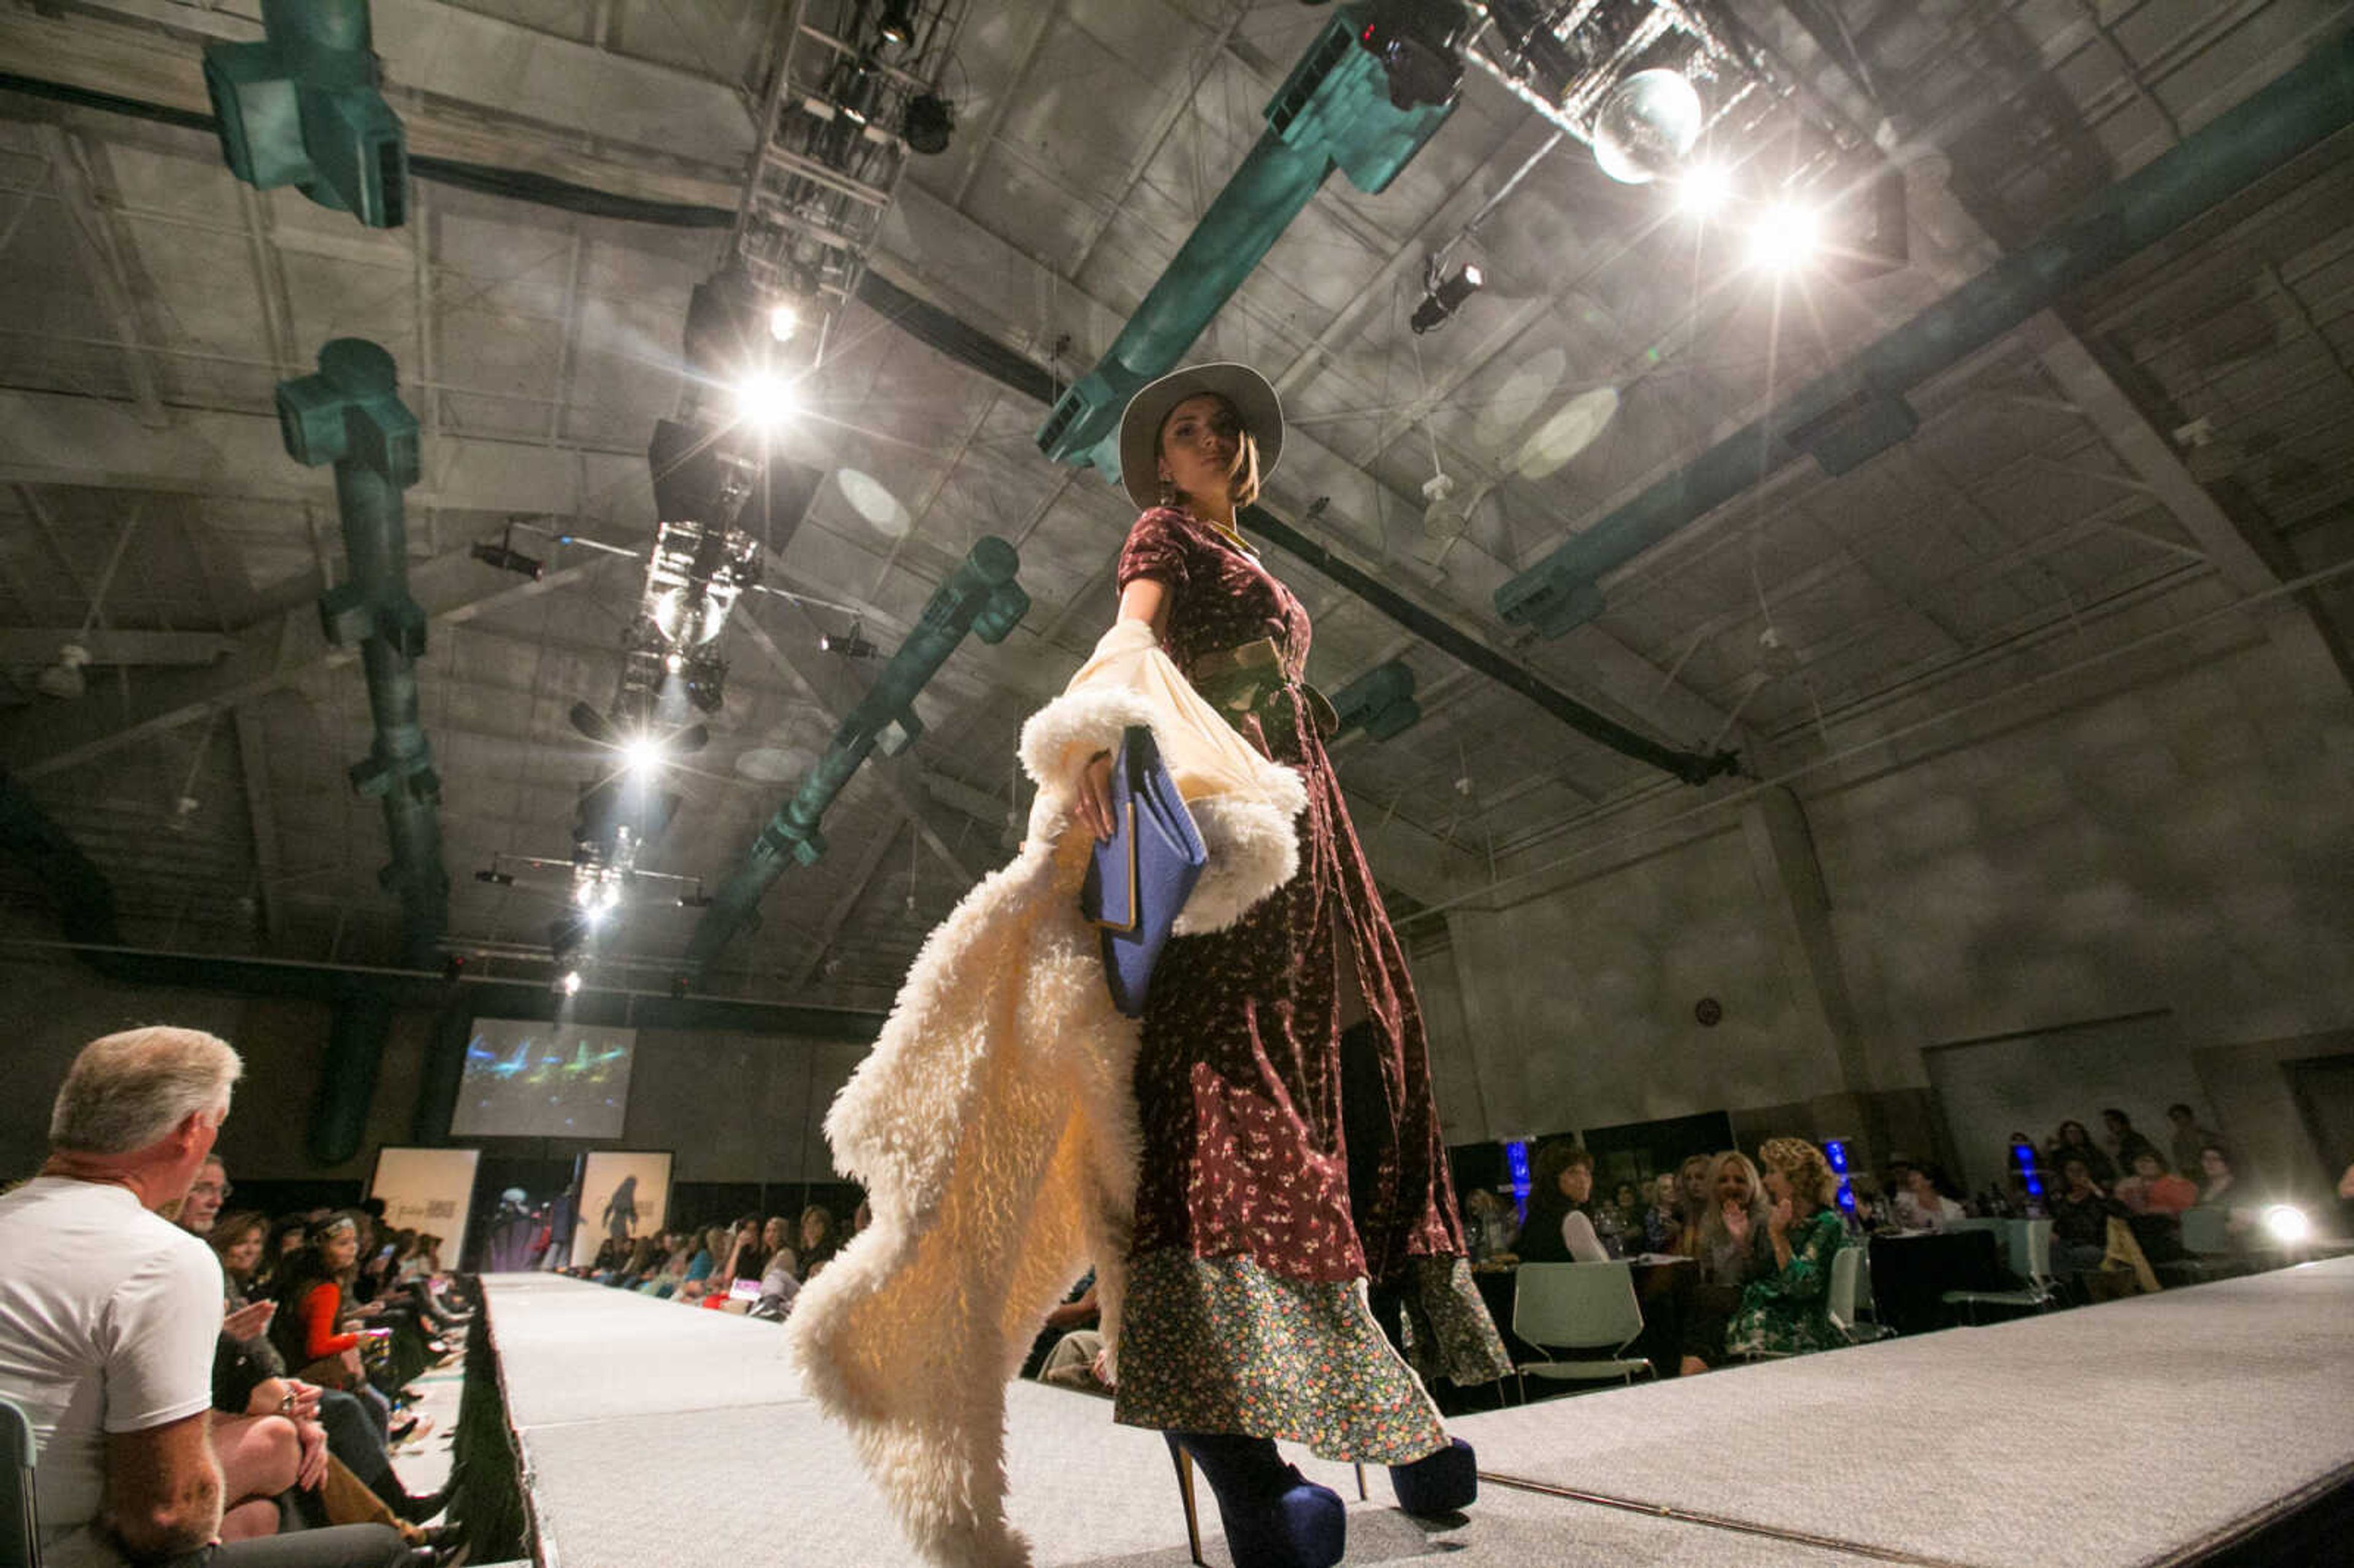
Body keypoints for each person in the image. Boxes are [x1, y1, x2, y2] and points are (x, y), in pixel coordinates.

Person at [786, 363, 1507, 1567]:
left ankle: (1392, 1408)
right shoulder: (1162, 531)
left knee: (1354, 1090)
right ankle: (1249, 1465)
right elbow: (1130, 633)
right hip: (1230, 820)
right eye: (1187, 428)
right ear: (1160, 465)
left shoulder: (1266, 568)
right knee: (1222, 1094)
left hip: (1314, 836)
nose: (1212, 437)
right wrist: (1097, 745)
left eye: (1223, 426)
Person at [0, 1026, 411, 1568]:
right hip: (57, 1551)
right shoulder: (161, 1258)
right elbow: (167, 1518)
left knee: (261, 1514)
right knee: (378, 1550)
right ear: (192, 1130)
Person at [1722, 1138, 1849, 1360]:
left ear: (1796, 1179)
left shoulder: (1826, 1223)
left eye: (1772, 1172)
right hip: (1766, 1314)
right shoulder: (1782, 1220)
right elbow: (1761, 1277)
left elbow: (1802, 1288)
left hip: (1798, 1324)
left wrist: (1778, 1236)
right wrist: (1743, 1242)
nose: (1765, 1180)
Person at [1679, 1150, 1773, 1374]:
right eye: (1723, 1180)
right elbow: (1709, 1271)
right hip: (1721, 1300)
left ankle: (1693, 1368)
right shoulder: (1711, 1220)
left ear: (1753, 1185)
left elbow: (1765, 1277)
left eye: (1739, 1180)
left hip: (1755, 1296)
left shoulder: (1765, 1219)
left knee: (1702, 1302)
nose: (1731, 1186)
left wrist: (1742, 1243)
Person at [1516, 1141, 1613, 1263]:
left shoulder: (1532, 1220)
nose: (1583, 1180)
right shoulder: (1573, 1219)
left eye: (1586, 1173)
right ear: (1552, 1179)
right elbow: (1603, 1273)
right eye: (1572, 1172)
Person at [2048, 1158, 2130, 1272]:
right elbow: (2057, 1228)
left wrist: (2096, 1190)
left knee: (2086, 1253)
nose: (2076, 1174)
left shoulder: (2101, 1197)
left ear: (2088, 1172)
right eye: (2071, 1171)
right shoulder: (2060, 1203)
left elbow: (2122, 1213)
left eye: (2080, 1170)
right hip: (2069, 1246)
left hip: (2098, 1246)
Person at [2114, 1150, 2198, 1217]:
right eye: (2137, 1161)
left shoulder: (2174, 1183)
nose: (2142, 1164)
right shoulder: (2130, 1186)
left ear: (2160, 1165)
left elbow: (2188, 1209)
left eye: (2148, 1161)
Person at [2046, 1121, 2116, 1185]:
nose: (2075, 1135)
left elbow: (2108, 1166)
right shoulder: (2061, 1155)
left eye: (2078, 1132)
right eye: (2071, 1132)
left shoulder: (2094, 1150)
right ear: (2065, 1136)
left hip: (2105, 1186)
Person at [1903, 1164, 1967, 1231]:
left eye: (1915, 1175)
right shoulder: (1905, 1203)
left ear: (1929, 1181)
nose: (1910, 1179)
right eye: (1909, 1176)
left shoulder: (1953, 1208)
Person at [2100, 1109, 2163, 1176]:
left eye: (2112, 1120)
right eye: (2107, 1122)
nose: (2109, 1125)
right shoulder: (2115, 1142)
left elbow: (2147, 1161)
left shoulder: (2135, 1139)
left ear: (2122, 1122)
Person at [2167, 1103, 2222, 1180]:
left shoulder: (2205, 1134)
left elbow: (2220, 1153)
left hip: (2214, 1172)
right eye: (2174, 1119)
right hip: (2194, 1176)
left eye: (2180, 1117)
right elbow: (2180, 1163)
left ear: (2189, 1116)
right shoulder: (2177, 1141)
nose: (2178, 1120)